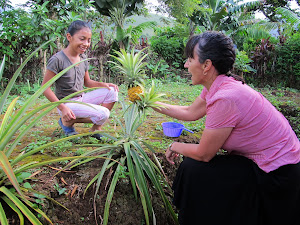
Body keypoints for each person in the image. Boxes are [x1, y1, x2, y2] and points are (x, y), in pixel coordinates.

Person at [154, 31, 300, 225]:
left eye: (190, 59)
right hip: (261, 163)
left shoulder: (226, 97)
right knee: (193, 170)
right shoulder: (218, 86)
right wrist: (150, 103)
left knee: (194, 169)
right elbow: (190, 112)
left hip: (277, 174)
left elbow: (204, 154)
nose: (186, 65)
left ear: (206, 65)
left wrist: (174, 146)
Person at [42, 20, 119, 139]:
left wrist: (103, 84)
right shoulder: (57, 60)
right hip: (67, 104)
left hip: (81, 99)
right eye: (82, 39)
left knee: (112, 91)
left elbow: (87, 82)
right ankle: (67, 121)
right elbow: (45, 88)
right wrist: (63, 108)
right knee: (103, 114)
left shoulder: (82, 57)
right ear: (69, 37)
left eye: (88, 40)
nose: (86, 44)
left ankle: (95, 129)